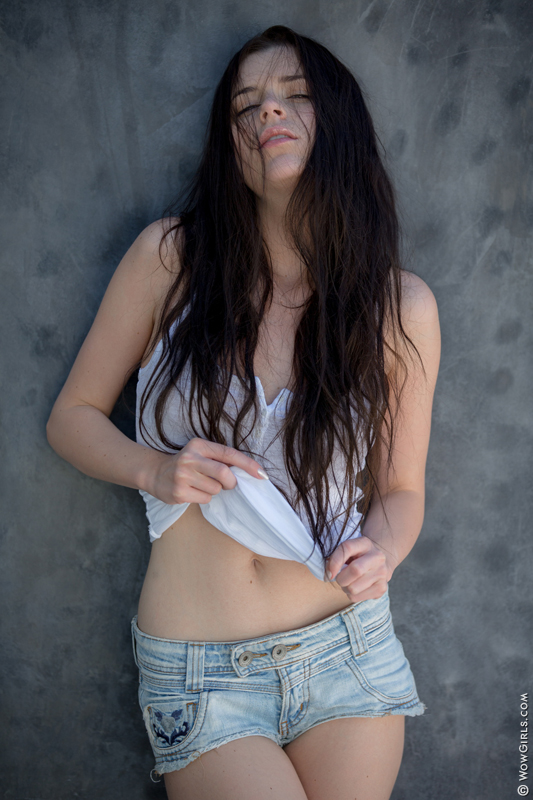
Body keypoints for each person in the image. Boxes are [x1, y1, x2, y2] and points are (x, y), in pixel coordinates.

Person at [46, 24, 441, 800]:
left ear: (339, 123)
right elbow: (72, 417)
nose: (267, 112)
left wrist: (383, 550)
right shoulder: (170, 260)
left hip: (346, 652)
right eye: (245, 106)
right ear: (231, 146)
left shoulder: (400, 308)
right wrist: (154, 470)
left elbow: (401, 491)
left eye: (293, 96)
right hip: (201, 676)